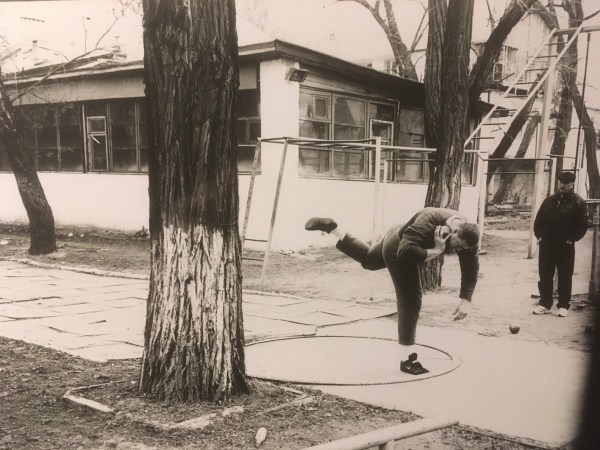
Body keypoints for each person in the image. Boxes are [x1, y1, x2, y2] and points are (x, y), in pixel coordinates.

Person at [305, 207, 479, 375]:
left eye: (463, 249)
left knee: (368, 260)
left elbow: (471, 267)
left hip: (401, 233)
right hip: (399, 247)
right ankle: (407, 360)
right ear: (454, 231)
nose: (458, 251)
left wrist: (466, 299)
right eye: (458, 246)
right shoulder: (429, 221)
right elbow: (404, 253)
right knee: (411, 300)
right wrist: (436, 250)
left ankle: (333, 228)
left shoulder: (468, 231)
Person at [533, 171, 588, 317]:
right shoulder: (549, 200)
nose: (562, 185)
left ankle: (563, 306)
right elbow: (539, 221)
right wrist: (540, 236)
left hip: (565, 245)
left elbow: (582, 225)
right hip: (547, 245)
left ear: (572, 184)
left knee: (565, 275)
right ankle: (545, 304)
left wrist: (572, 238)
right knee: (545, 275)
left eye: (566, 183)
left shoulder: (578, 202)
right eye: (560, 182)